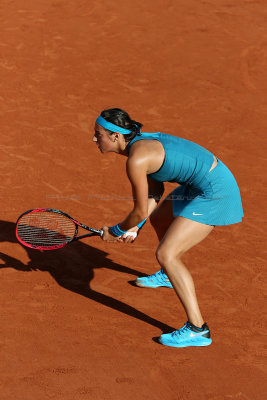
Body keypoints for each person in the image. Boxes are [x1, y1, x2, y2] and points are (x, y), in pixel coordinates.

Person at [93, 108, 243, 348]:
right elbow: (155, 192)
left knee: (166, 253)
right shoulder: (139, 147)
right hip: (202, 182)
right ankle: (167, 275)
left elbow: (140, 210)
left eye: (97, 134)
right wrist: (136, 226)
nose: (94, 139)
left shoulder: (137, 160)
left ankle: (197, 330)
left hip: (216, 192)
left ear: (115, 137)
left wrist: (118, 231)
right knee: (160, 218)